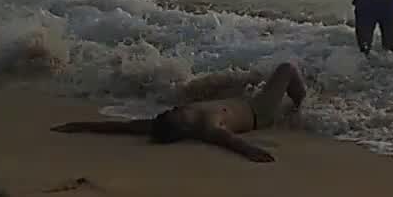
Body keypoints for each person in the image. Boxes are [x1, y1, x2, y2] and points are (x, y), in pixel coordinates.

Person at [49, 62, 307, 163]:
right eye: (177, 114)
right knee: (286, 68)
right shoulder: (207, 126)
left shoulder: (165, 123)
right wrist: (254, 153)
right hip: (258, 111)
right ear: (184, 128)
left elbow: (121, 127)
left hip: (242, 101)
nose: (175, 110)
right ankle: (300, 104)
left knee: (250, 73)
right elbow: (233, 143)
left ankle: (298, 99)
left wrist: (79, 125)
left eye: (172, 111)